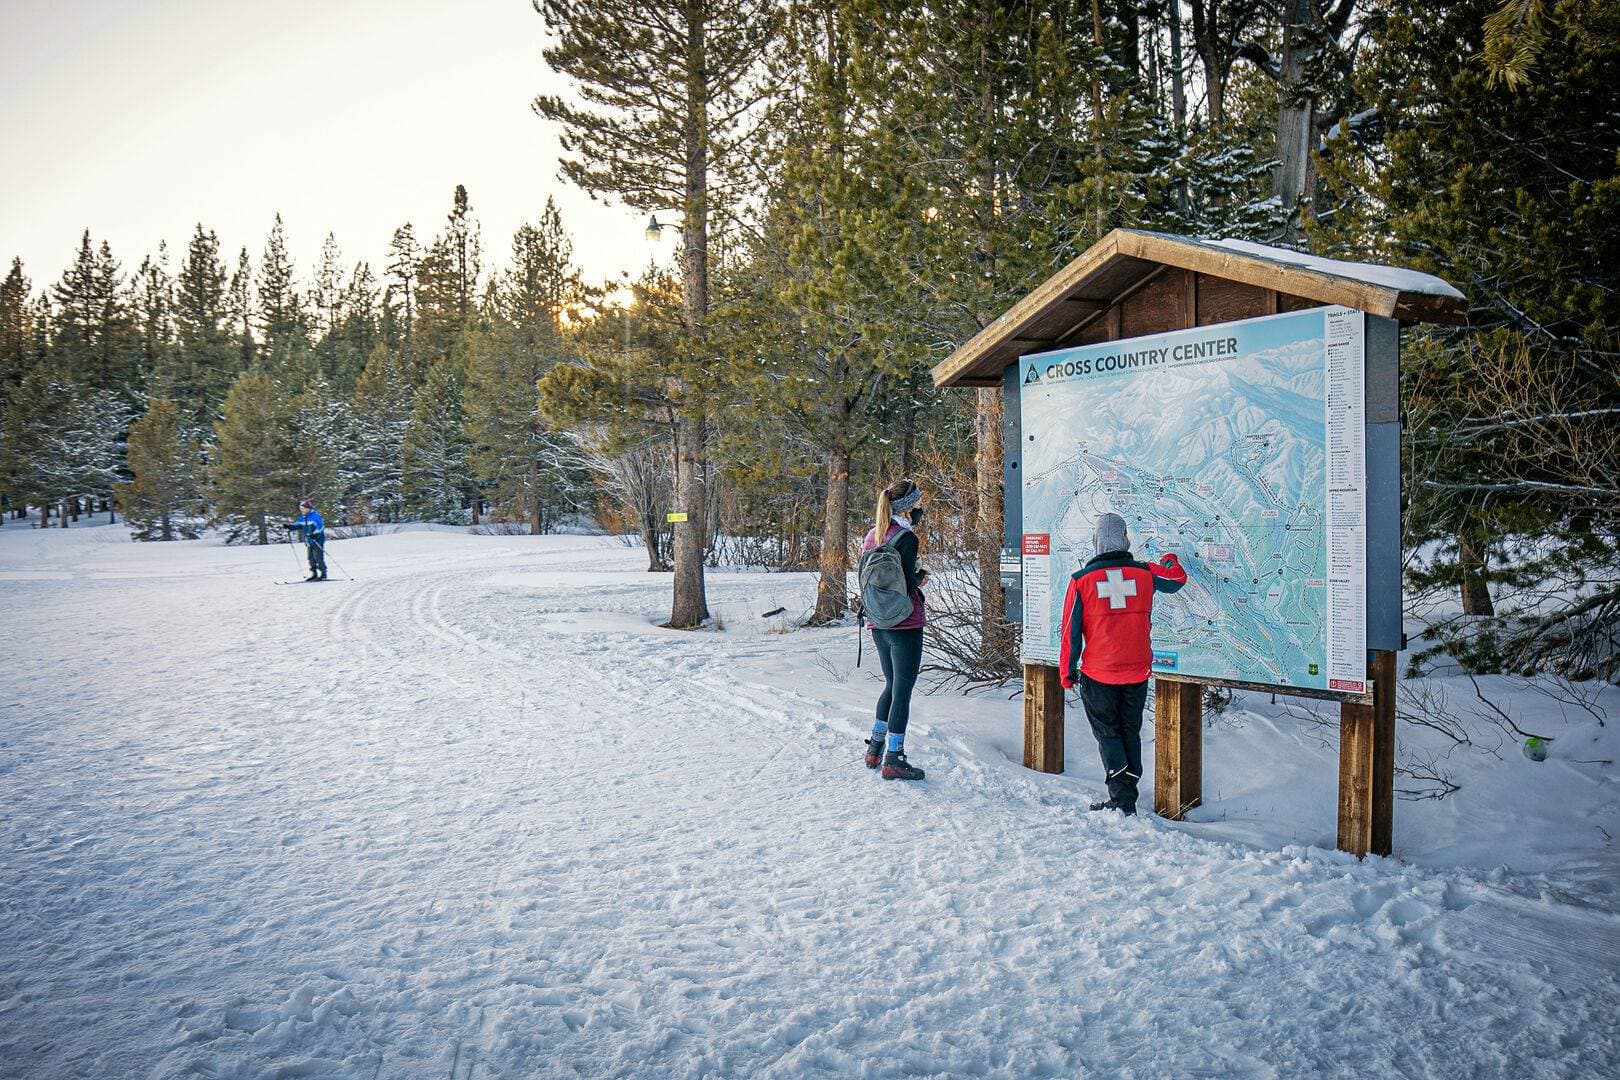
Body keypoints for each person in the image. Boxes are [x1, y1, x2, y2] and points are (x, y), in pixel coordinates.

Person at [1058, 512, 1186, 815]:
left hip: (1098, 673)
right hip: (1136, 671)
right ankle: (1128, 795)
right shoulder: (1144, 574)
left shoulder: (1081, 581)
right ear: (1125, 539)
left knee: (1108, 734)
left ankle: (1121, 798)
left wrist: (1067, 673)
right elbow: (1176, 579)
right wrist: (1170, 559)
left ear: (1096, 542)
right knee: (1130, 730)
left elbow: (1069, 633)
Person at [860, 478, 930, 781]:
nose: (919, 509)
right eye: (916, 504)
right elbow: (906, 583)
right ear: (907, 506)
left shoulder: (872, 536)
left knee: (891, 685)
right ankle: (894, 758)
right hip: (905, 622)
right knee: (903, 690)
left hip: (877, 621)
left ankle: (875, 747)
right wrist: (921, 578)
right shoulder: (906, 538)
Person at [285, 499, 327, 581]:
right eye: (301, 509)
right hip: (308, 541)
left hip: (317, 540)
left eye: (303, 508)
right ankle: (314, 574)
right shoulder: (303, 518)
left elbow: (321, 527)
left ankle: (323, 574)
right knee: (310, 558)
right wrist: (289, 527)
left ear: (308, 508)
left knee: (318, 558)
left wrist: (315, 534)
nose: (302, 510)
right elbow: (297, 525)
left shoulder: (315, 516)